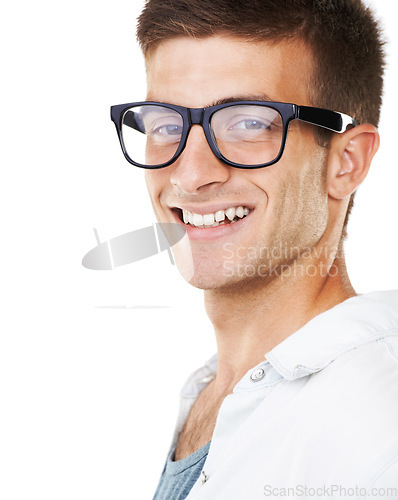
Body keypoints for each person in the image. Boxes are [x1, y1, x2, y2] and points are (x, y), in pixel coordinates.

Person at [111, 0, 398, 498]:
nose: (191, 174)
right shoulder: (204, 394)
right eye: (165, 125)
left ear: (346, 161)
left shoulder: (378, 433)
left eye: (248, 123)